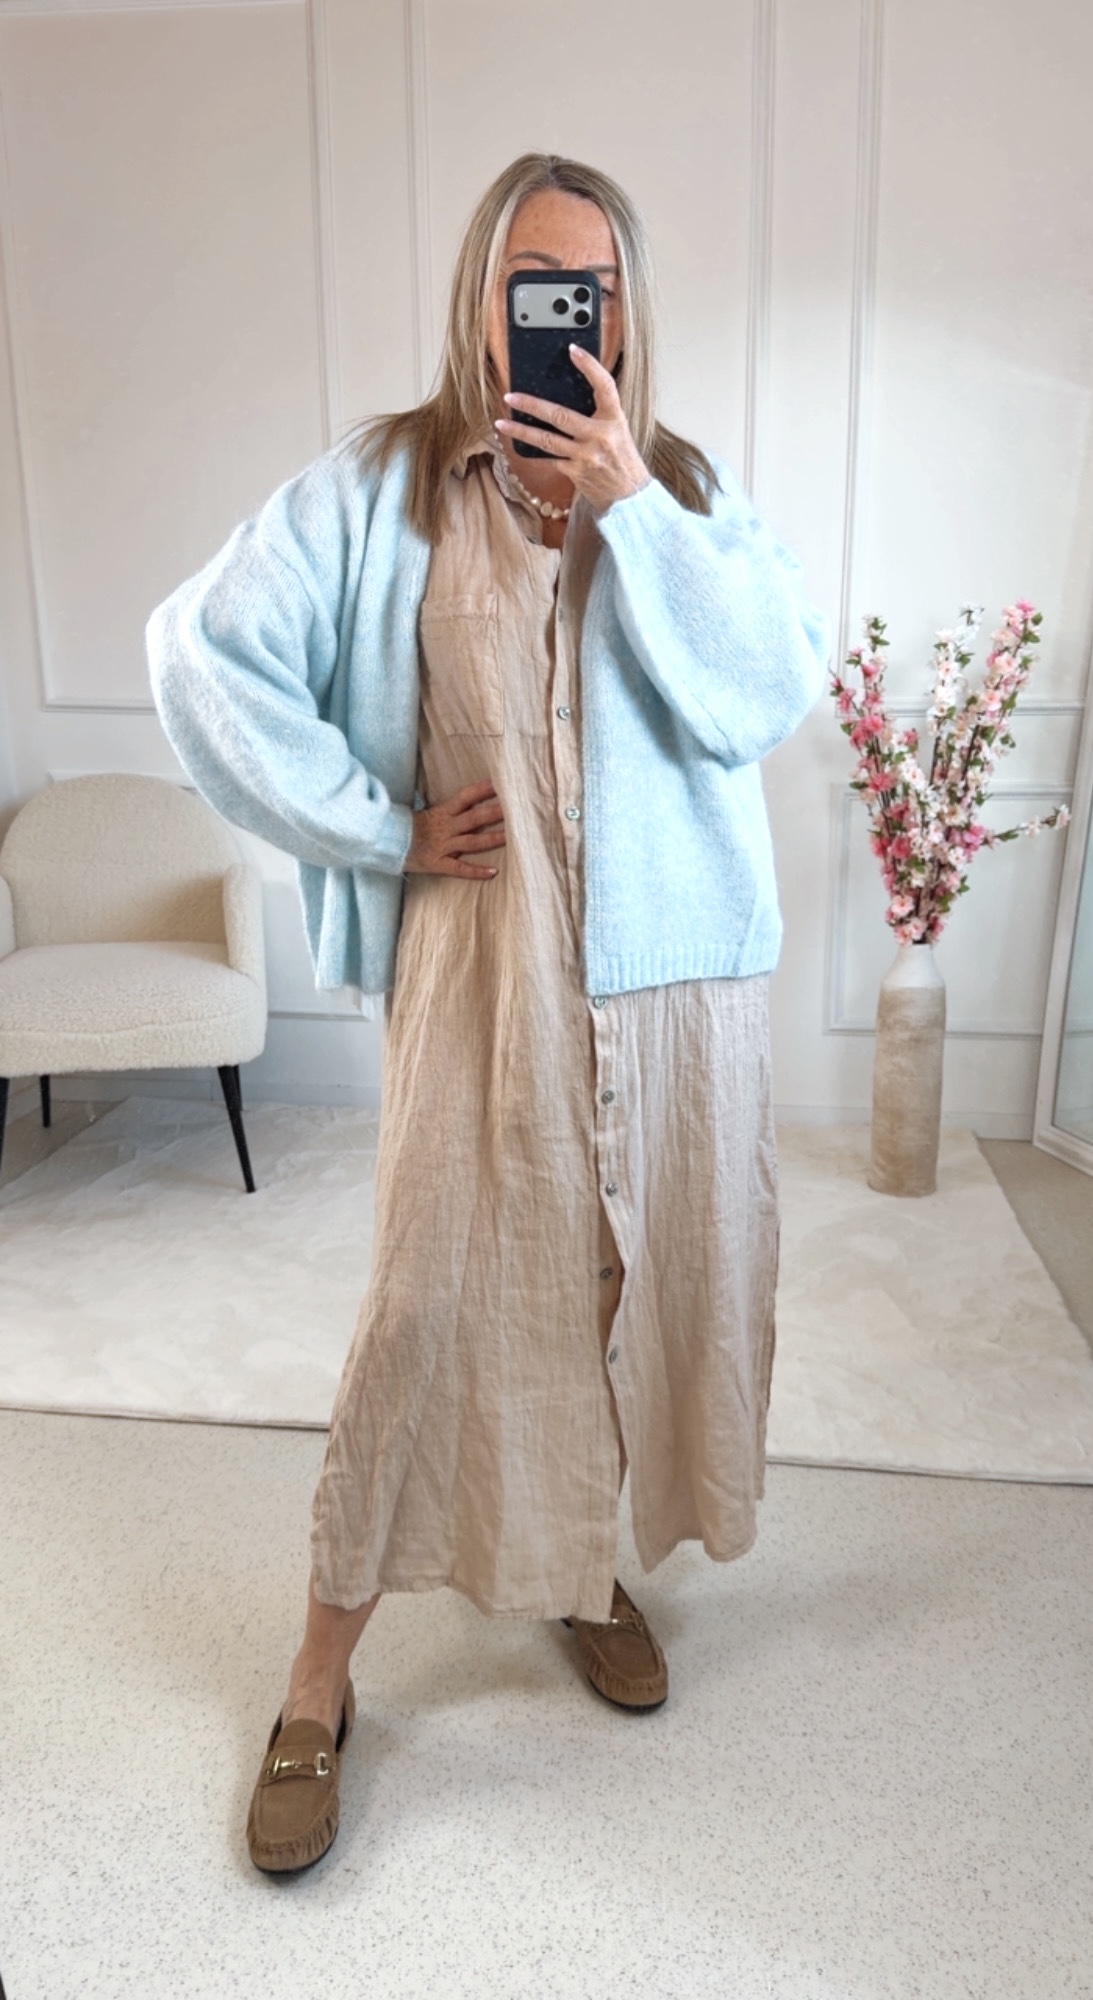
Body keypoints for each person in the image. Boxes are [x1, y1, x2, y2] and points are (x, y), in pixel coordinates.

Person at [147, 151, 829, 1876]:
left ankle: (573, 1567)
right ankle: (318, 1683)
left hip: (674, 982)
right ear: (480, 296)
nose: (559, 313)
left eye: (588, 288)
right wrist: (373, 826)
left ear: (626, 313)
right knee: (426, 1304)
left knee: (619, 1283)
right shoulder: (382, 485)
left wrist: (629, 501)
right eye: (532, 282)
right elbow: (200, 651)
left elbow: (762, 695)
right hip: (484, 961)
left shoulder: (683, 484)